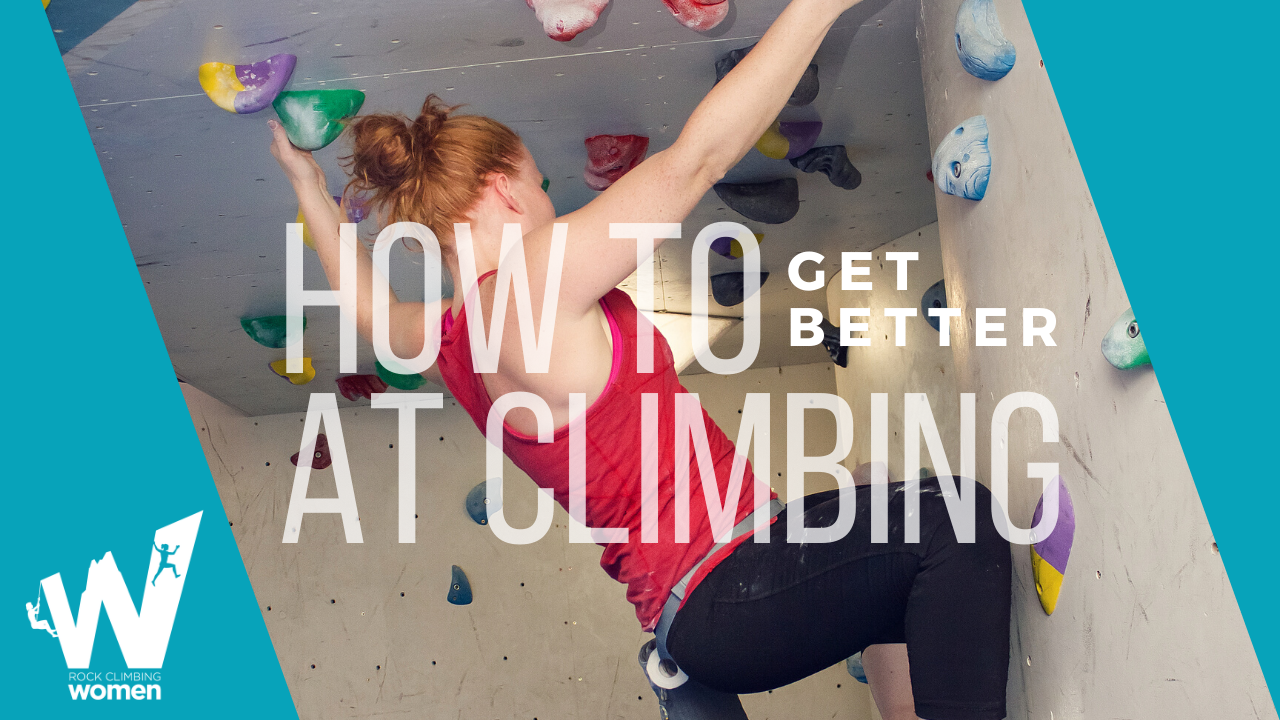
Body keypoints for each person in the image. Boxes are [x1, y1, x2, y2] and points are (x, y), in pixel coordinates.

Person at [268, 0, 1011, 717]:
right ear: (503, 187)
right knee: (960, 522)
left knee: (873, 490)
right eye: (537, 182)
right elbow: (698, 161)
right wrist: (818, 8)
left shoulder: (448, 336)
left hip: (714, 598)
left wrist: (308, 186)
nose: (545, 200)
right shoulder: (530, 279)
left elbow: (367, 309)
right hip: (729, 590)